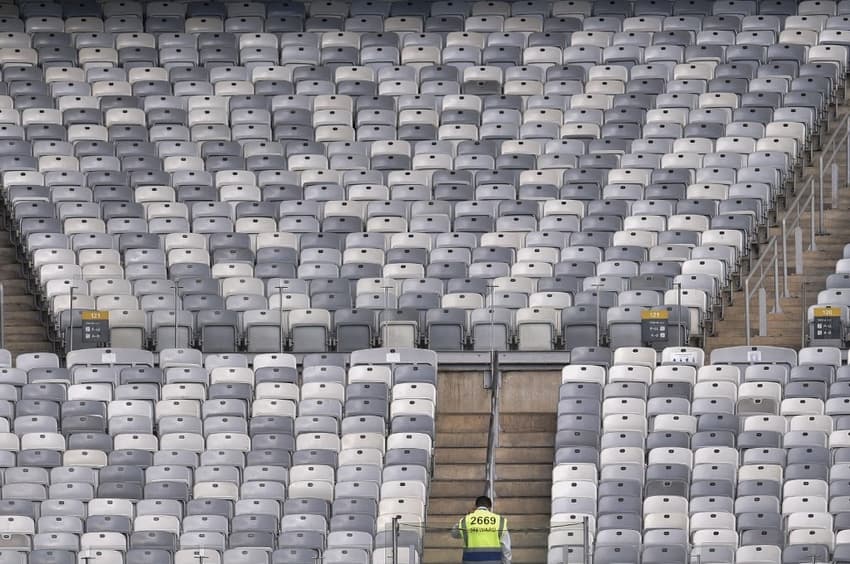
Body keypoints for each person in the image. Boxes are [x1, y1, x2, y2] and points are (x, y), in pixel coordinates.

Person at [451, 495, 512, 564]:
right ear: (490, 507)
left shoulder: (466, 520)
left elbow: (454, 533)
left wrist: (467, 516)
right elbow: (506, 548)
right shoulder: (499, 521)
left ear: (475, 506)